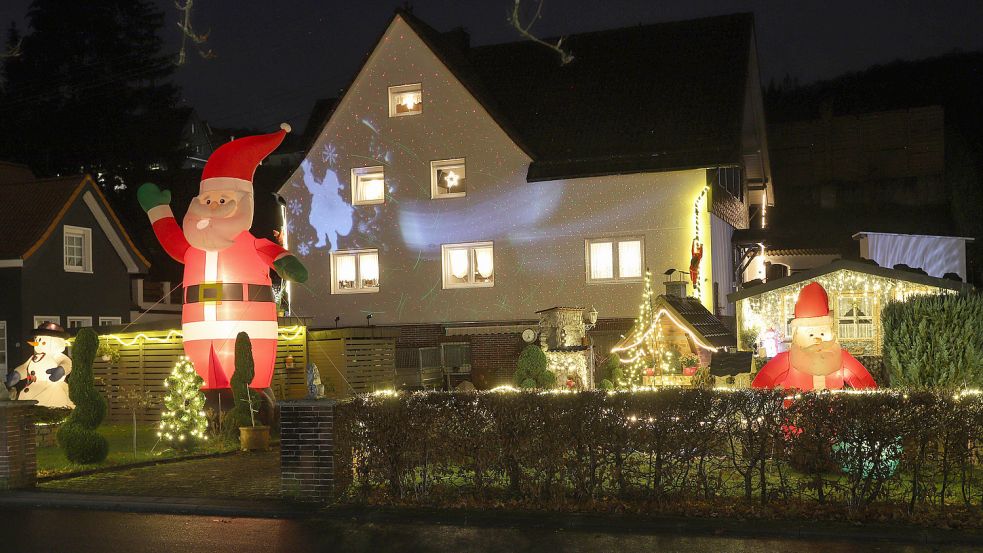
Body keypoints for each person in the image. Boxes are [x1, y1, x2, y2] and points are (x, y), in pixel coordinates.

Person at [752, 283, 877, 391]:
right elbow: (765, 379)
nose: (817, 340)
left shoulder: (840, 358)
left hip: (834, 414)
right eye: (811, 334)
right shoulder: (788, 359)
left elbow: (862, 379)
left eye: (822, 334)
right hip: (797, 414)